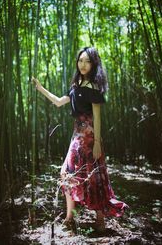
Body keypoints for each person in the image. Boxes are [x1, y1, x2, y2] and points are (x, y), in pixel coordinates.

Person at [32, 47, 128, 232]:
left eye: (87, 61)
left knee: (95, 178)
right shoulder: (76, 86)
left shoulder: (93, 87)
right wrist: (40, 88)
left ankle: (100, 219)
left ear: (93, 64)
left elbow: (97, 117)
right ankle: (70, 218)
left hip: (90, 137)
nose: (83, 64)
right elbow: (59, 101)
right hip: (76, 136)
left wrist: (98, 143)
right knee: (67, 174)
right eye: (80, 60)